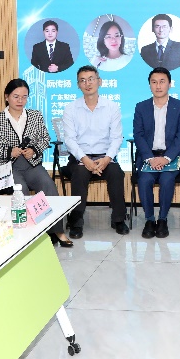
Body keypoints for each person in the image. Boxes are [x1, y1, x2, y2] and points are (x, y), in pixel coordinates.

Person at [0, 78, 72, 247]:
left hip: (31, 164)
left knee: (48, 186)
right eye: (16, 96)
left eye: (24, 97)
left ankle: (57, 231)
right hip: (8, 167)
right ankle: (30, 234)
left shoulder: (35, 116)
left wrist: (34, 149)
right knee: (21, 191)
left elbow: (45, 138)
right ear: (6, 97)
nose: (20, 100)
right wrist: (7, 151)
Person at [62, 65, 129, 237]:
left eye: (91, 79)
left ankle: (119, 219)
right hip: (80, 158)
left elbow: (116, 138)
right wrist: (85, 160)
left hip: (104, 157)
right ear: (78, 85)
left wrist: (106, 159)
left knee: (116, 173)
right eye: (83, 80)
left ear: (99, 81)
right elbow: (70, 140)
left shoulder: (112, 107)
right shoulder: (70, 108)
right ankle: (76, 221)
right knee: (79, 173)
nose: (87, 83)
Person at [132, 67, 180, 238]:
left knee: (166, 179)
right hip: (148, 156)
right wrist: (150, 158)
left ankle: (163, 219)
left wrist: (166, 158)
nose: (158, 86)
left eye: (162, 82)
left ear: (170, 84)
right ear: (149, 85)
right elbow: (138, 135)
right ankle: (150, 220)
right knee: (144, 180)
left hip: (171, 156)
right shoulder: (141, 107)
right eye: (154, 82)